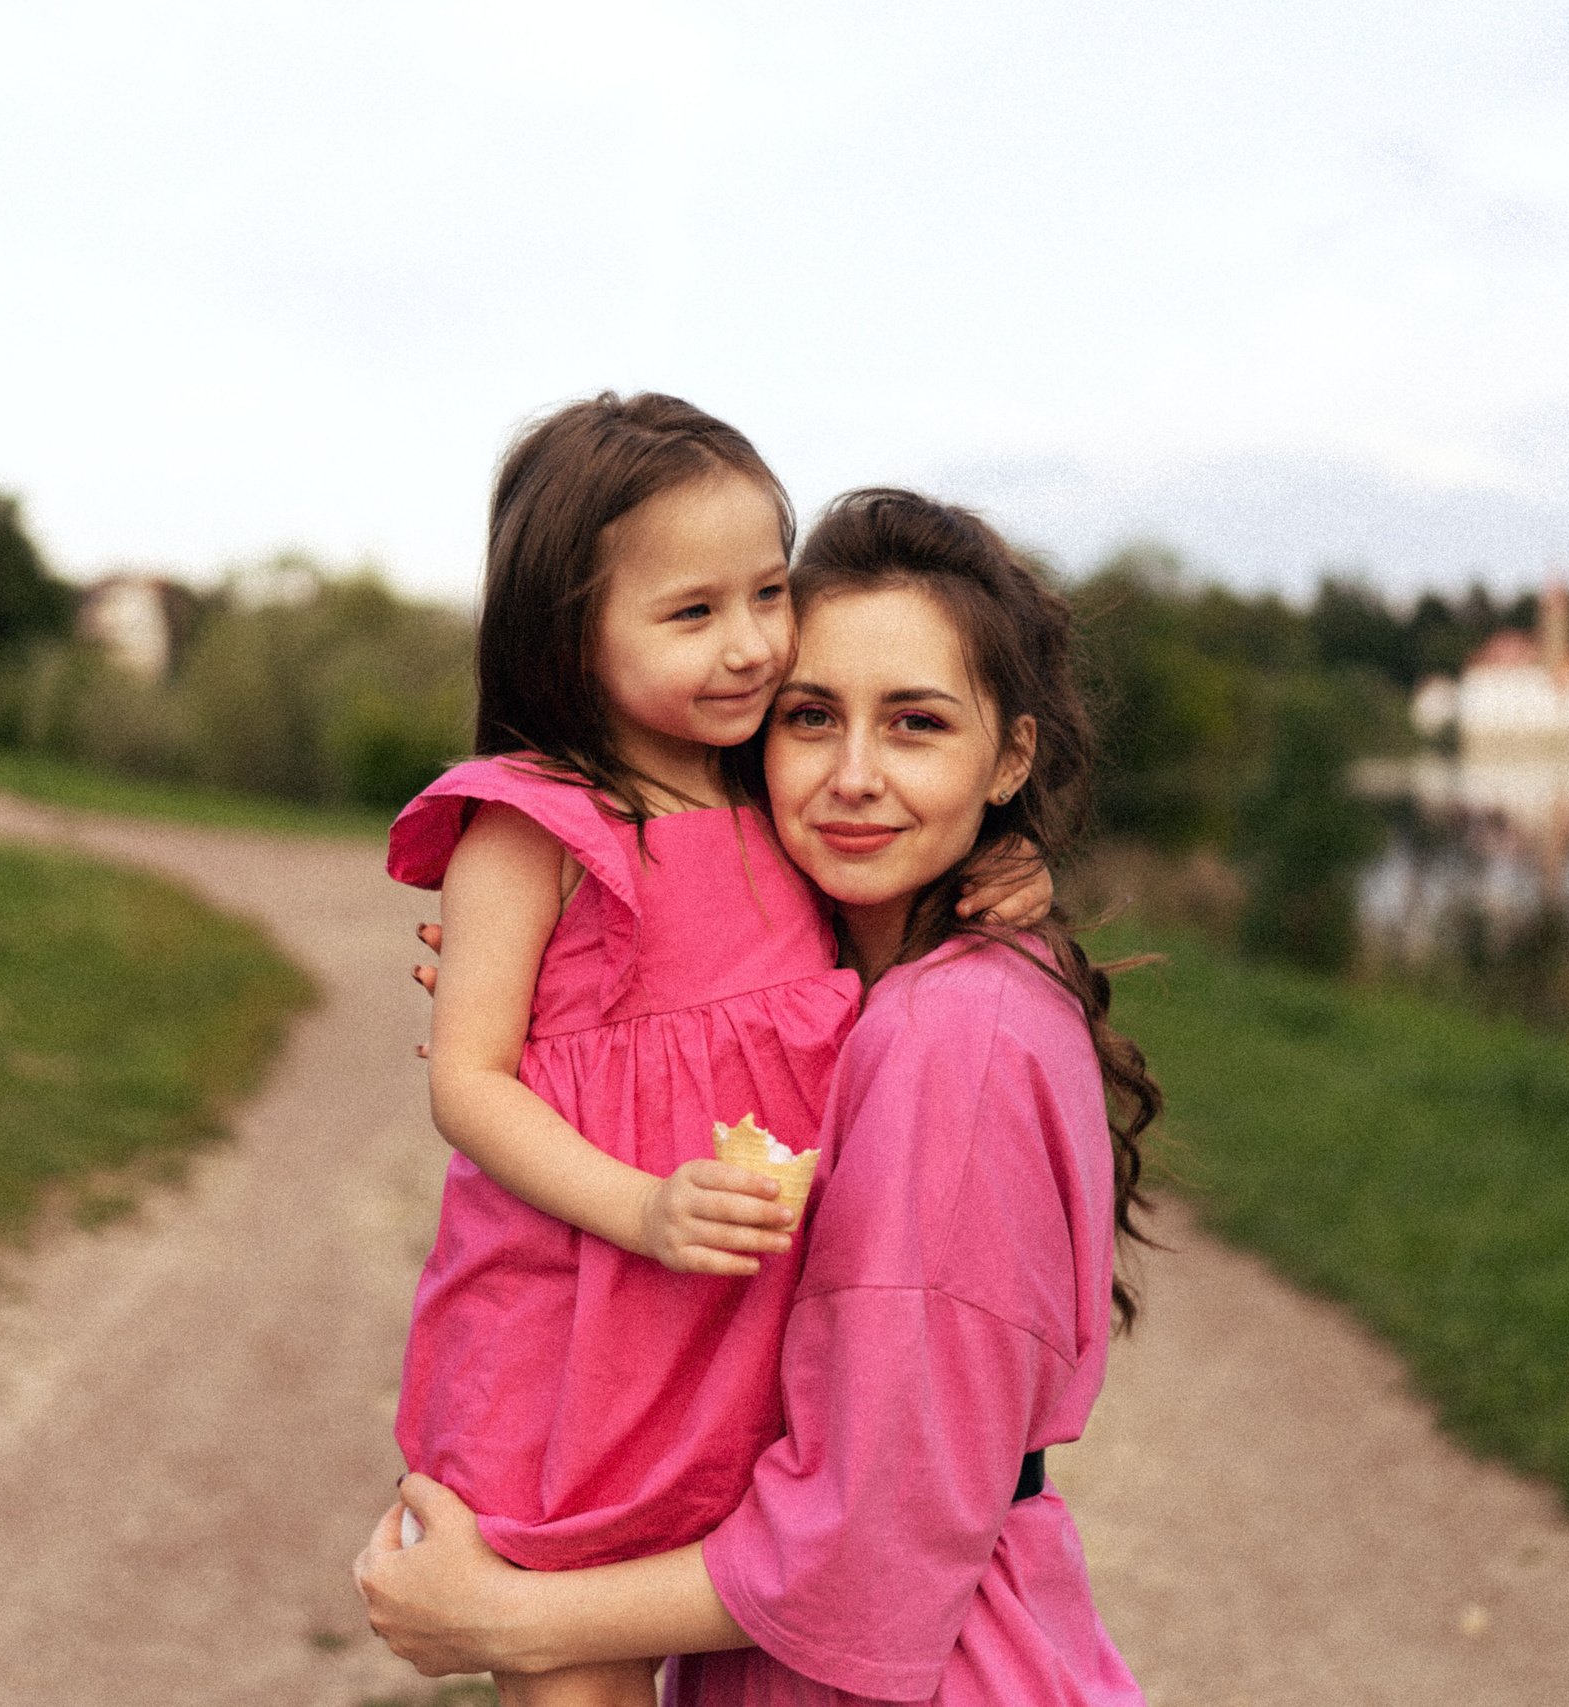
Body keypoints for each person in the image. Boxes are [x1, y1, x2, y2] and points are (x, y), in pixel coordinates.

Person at [358, 487, 1160, 1704]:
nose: (851, 776)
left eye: (917, 726)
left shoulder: (953, 1039)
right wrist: (545, 981)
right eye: (809, 717)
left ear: (1012, 757)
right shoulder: (847, 975)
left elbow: (872, 1537)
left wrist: (510, 1620)